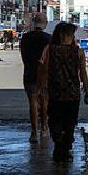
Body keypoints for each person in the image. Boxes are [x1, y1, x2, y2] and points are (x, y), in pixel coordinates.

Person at [37, 23, 88, 162]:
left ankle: (58, 144)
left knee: (55, 120)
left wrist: (41, 88)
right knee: (70, 122)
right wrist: (87, 91)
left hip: (55, 92)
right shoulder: (78, 52)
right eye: (71, 34)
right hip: (73, 93)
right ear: (66, 35)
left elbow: (43, 70)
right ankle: (66, 148)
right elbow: (83, 74)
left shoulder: (49, 49)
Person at [19, 14, 52, 143]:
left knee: (32, 103)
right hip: (44, 74)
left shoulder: (26, 37)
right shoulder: (48, 38)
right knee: (44, 102)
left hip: (30, 72)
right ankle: (44, 127)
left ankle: (34, 132)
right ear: (45, 23)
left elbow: (23, 56)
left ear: (34, 23)